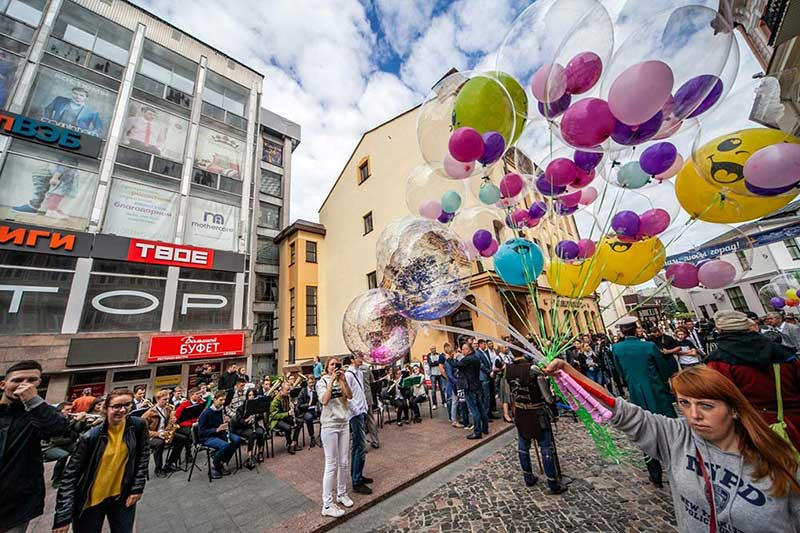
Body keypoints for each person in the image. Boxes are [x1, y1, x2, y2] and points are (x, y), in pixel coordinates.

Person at [545, 360, 800, 533]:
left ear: (734, 408)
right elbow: (620, 410)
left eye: (706, 405)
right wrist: (569, 373)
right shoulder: (678, 437)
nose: (694, 415)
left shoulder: (783, 461)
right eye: (684, 404)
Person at [53, 389, 149, 533]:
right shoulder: (90, 436)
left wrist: (137, 487)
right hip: (90, 502)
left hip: (121, 496)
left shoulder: (138, 426)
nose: (122, 410)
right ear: (105, 408)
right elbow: (70, 476)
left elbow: (143, 456)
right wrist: (62, 517)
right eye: (116, 406)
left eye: (127, 405)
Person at [706, 309, 800, 450]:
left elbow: (720, 399)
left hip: (754, 429)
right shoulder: (782, 352)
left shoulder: (718, 363)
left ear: (719, 330)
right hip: (794, 421)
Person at [1, 360, 67, 533]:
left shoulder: (36, 414)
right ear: (3, 384)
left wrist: (34, 401)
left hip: (16, 505)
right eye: (17, 380)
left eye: (32, 380)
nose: (24, 385)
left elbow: (58, 428)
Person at [612, 316, 676, 488]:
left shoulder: (616, 348)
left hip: (636, 392)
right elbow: (663, 369)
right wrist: (664, 383)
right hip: (656, 391)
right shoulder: (648, 346)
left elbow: (619, 371)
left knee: (644, 430)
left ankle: (654, 474)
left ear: (622, 331)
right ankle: (676, 466)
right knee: (667, 426)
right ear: (636, 328)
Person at [505, 349, 568, 495]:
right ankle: (553, 483)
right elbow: (548, 397)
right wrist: (554, 405)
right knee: (545, 446)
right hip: (536, 411)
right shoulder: (533, 369)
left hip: (520, 411)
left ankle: (528, 477)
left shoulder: (507, 370)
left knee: (523, 445)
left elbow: (509, 393)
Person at [316, 357, 353, 518]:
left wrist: (343, 380)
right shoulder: (322, 382)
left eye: (337, 365)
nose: (335, 367)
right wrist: (331, 381)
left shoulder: (341, 380)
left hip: (344, 423)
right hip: (330, 425)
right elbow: (324, 400)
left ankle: (342, 493)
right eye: (332, 364)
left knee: (344, 462)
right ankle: (327, 504)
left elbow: (349, 396)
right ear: (327, 367)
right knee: (331, 464)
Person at [345, 354, 373, 495]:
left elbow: (360, 391)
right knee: (359, 446)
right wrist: (356, 409)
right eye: (358, 357)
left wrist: (365, 408)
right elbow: (347, 396)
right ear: (351, 360)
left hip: (362, 410)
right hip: (355, 414)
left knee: (361, 446)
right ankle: (356, 481)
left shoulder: (360, 373)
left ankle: (359, 475)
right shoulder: (348, 375)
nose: (361, 359)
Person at [197, 390, 241, 479]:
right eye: (221, 400)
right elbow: (200, 432)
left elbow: (221, 424)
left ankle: (222, 462)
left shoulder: (221, 410)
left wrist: (226, 421)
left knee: (237, 440)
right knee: (225, 445)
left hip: (220, 433)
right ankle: (215, 465)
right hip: (207, 437)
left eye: (224, 400)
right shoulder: (206, 413)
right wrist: (216, 429)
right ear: (214, 400)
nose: (223, 402)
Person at [141, 389, 182, 477]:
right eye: (164, 399)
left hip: (165, 432)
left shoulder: (168, 409)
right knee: (160, 443)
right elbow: (143, 430)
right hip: (152, 436)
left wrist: (173, 421)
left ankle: (170, 463)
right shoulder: (149, 413)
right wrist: (158, 434)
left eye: (168, 399)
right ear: (157, 400)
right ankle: (158, 468)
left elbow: (169, 422)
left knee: (182, 439)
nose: (167, 401)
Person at [454, 342, 488, 439]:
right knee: (480, 407)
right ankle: (485, 428)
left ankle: (477, 432)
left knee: (474, 410)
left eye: (464, 349)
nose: (462, 351)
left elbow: (455, 364)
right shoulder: (475, 357)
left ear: (468, 350)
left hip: (470, 387)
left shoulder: (467, 359)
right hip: (477, 385)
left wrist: (450, 358)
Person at [231, 388, 266, 467]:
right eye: (249, 395)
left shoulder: (257, 406)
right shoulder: (241, 407)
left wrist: (255, 416)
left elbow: (261, 416)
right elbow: (238, 420)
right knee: (251, 434)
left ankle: (260, 452)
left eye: (253, 395)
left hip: (253, 426)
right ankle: (250, 455)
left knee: (260, 432)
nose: (251, 397)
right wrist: (246, 420)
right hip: (242, 428)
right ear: (247, 396)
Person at [269, 383, 302, 454]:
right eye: (287, 390)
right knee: (288, 428)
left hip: (285, 417)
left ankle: (294, 442)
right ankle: (289, 445)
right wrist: (287, 413)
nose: (289, 391)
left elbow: (288, 409)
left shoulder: (287, 397)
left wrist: (293, 406)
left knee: (299, 421)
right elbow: (274, 415)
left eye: (289, 390)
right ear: (281, 390)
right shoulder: (276, 400)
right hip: (276, 420)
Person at [296, 375, 319, 448]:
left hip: (314, 410)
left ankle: (322, 436)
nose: (312, 384)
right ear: (307, 383)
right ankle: (312, 437)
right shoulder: (303, 391)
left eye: (313, 383)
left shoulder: (315, 390)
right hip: (305, 411)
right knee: (309, 418)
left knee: (323, 416)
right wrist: (307, 405)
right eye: (310, 383)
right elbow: (299, 405)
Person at [443, 344, 461, 426]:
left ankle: (455, 418)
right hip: (453, 384)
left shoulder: (452, 361)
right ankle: (454, 420)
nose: (454, 353)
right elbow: (450, 376)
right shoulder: (447, 363)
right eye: (452, 352)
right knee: (454, 401)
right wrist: (457, 382)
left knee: (456, 401)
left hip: (454, 383)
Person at [425, 346, 446, 410]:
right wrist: (437, 362)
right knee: (433, 390)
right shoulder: (428, 356)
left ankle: (444, 402)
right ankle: (434, 404)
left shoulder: (439, 355)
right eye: (432, 349)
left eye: (434, 349)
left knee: (442, 389)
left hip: (439, 374)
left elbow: (441, 362)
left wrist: (436, 362)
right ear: (430, 350)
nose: (433, 350)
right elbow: (430, 364)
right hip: (433, 374)